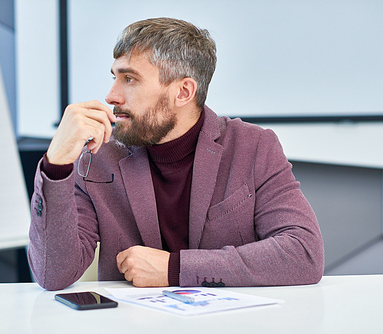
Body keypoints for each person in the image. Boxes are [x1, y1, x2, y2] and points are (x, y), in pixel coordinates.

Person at [28, 17, 324, 291]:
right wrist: (57, 163)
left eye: (129, 79)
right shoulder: (98, 155)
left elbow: (303, 253)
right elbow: (52, 275)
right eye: (115, 77)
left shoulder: (253, 147)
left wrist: (174, 268)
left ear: (183, 92)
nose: (111, 96)